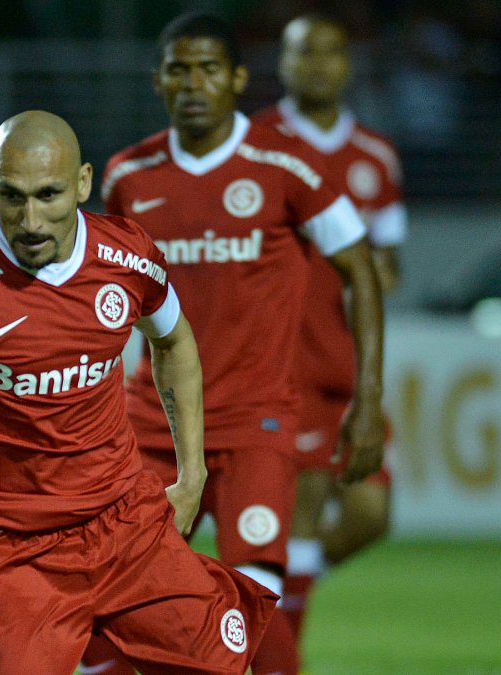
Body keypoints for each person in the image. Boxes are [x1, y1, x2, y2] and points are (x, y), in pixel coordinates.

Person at [0, 109, 278, 675]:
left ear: (84, 183)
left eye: (48, 194)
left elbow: (174, 342)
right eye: (11, 196)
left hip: (123, 524)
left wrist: (191, 475)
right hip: (8, 551)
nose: (31, 219)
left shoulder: (127, 257)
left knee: (223, 667)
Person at [79, 12, 385, 675]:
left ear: (237, 79)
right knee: (118, 592)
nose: (194, 84)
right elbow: (108, 301)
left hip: (254, 418)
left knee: (255, 592)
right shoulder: (129, 175)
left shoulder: (286, 165)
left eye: (209, 69)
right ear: (158, 79)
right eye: (179, 69)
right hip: (153, 423)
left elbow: (361, 268)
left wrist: (369, 398)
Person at [252, 12, 406, 650]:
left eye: (330, 52)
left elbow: (390, 259)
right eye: (303, 52)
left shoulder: (375, 156)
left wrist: (378, 272)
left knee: (371, 516)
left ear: (347, 64)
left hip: (346, 364)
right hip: (285, 365)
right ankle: (281, 648)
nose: (317, 64)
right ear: (281, 64)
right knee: (305, 515)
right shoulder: (255, 144)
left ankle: (265, 603)